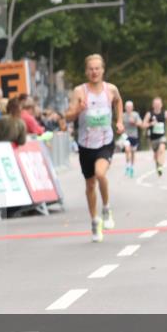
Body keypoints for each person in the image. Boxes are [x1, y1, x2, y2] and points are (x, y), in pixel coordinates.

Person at [64, 54, 124, 243]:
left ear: (103, 70)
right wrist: (78, 110)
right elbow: (67, 117)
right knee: (90, 185)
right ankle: (94, 220)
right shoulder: (79, 91)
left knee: (100, 174)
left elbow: (118, 102)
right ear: (86, 71)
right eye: (91, 69)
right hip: (85, 144)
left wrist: (120, 121)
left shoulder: (111, 89)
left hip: (105, 141)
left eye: (97, 68)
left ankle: (106, 208)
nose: (94, 72)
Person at [143, 97, 167, 177]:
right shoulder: (149, 114)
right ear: (153, 105)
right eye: (155, 104)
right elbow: (143, 125)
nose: (157, 106)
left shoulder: (164, 113)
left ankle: (160, 167)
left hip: (162, 136)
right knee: (156, 155)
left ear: (161, 105)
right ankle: (158, 164)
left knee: (162, 149)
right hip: (153, 138)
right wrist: (150, 124)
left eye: (159, 104)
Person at [121, 100, 142, 178]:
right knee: (127, 150)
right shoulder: (123, 115)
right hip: (126, 135)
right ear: (125, 108)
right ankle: (127, 165)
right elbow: (119, 124)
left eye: (130, 107)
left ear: (132, 108)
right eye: (127, 107)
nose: (128, 108)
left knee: (133, 152)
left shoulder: (135, 115)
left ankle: (132, 167)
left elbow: (141, 124)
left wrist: (134, 123)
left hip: (134, 136)